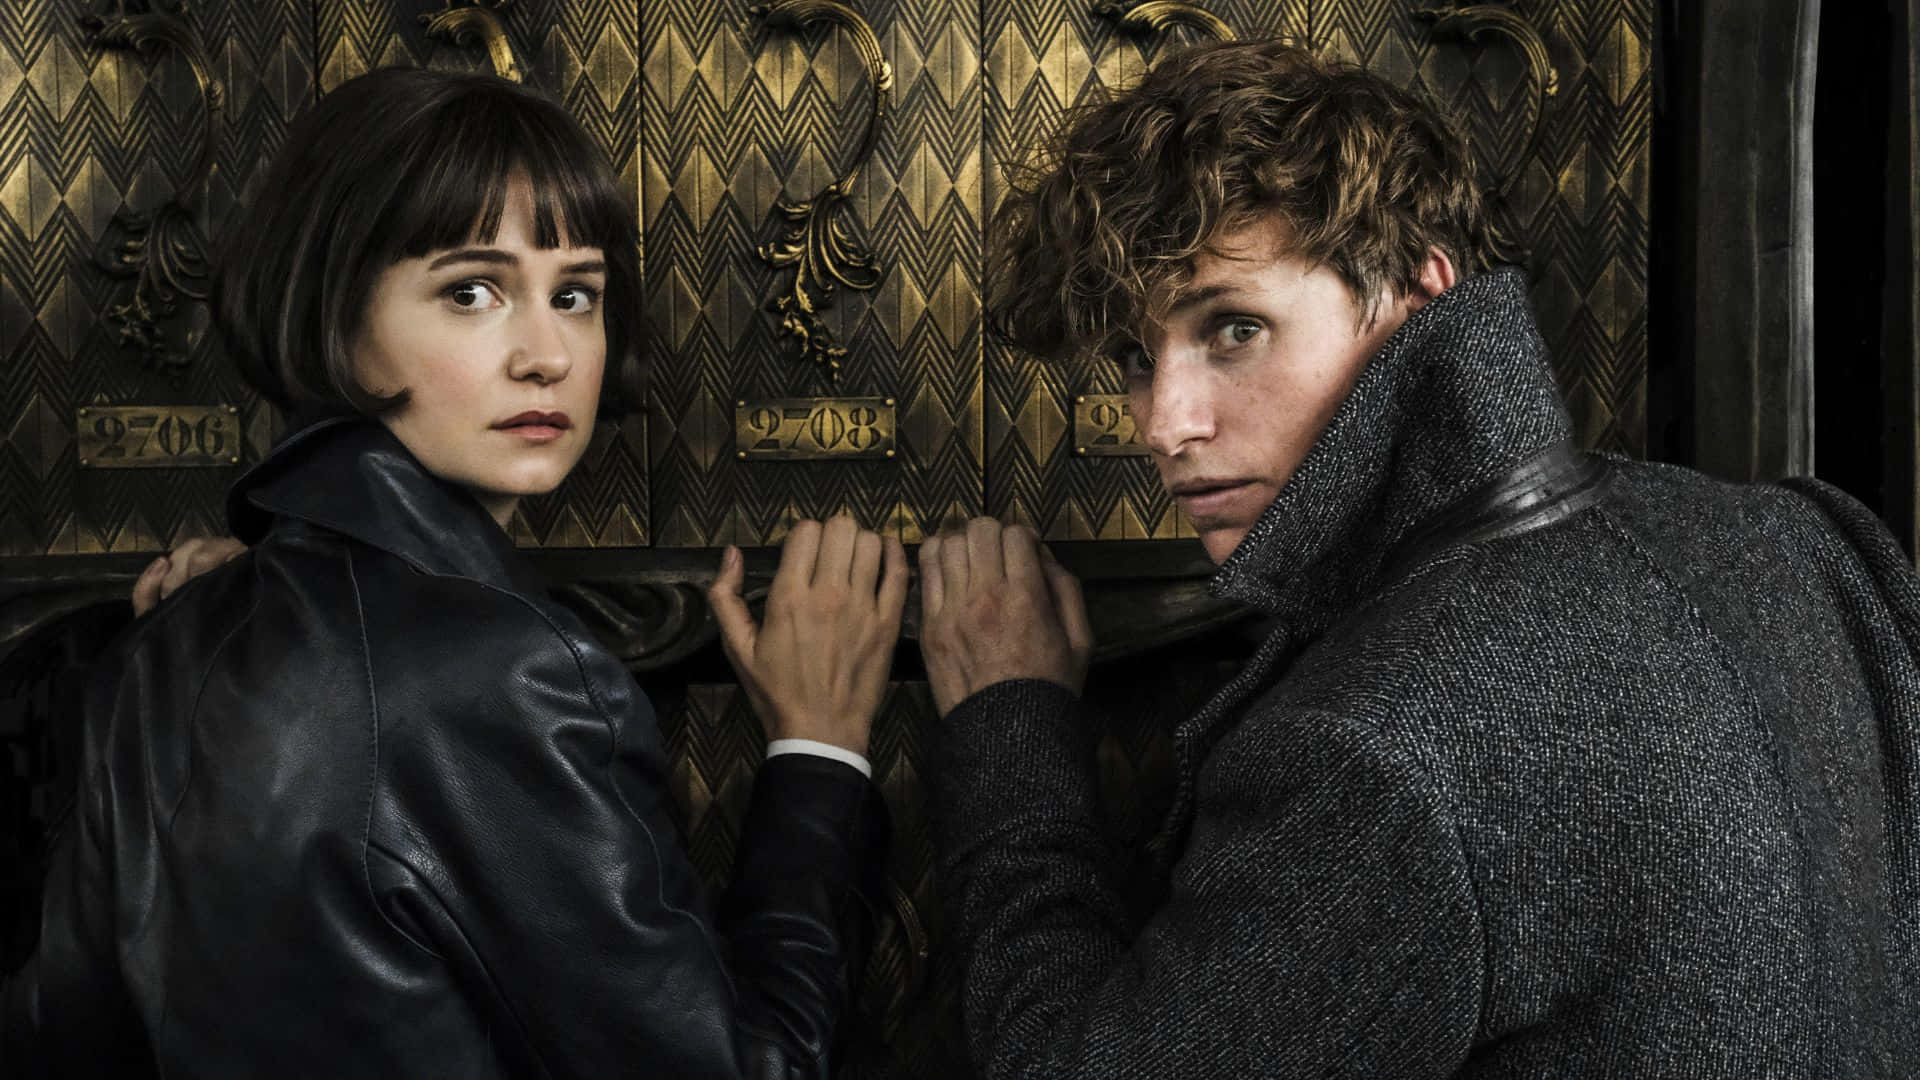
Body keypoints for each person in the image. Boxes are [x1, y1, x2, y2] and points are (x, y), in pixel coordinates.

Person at [913, 39, 1919, 1076]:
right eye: (1135, 356)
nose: (1165, 422)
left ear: (1418, 291)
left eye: (1234, 329)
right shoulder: (1803, 542)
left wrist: (1012, 726)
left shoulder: (1375, 754)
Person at [1, 67, 904, 1078]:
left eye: (576, 294)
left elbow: (61, 1042)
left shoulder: (165, 644)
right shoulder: (503, 674)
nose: (546, 354)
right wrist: (820, 755)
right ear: (334, 316)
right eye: (470, 292)